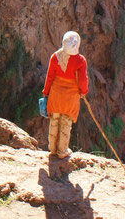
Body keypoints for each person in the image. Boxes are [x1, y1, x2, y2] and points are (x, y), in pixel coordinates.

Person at [42, 31, 89, 159]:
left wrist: (46, 92)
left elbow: (50, 77)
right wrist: (84, 92)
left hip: (55, 95)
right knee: (66, 123)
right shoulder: (80, 60)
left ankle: (52, 148)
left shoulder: (55, 57)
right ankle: (62, 150)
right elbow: (83, 80)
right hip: (71, 98)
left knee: (54, 120)